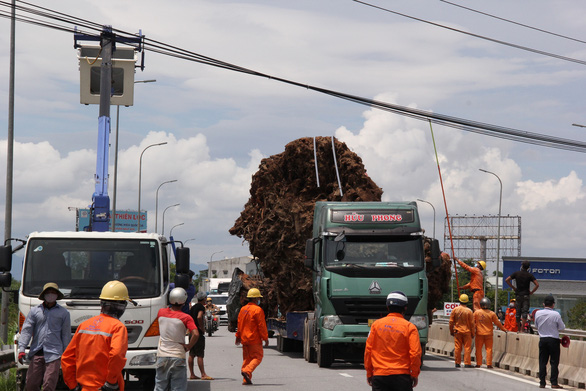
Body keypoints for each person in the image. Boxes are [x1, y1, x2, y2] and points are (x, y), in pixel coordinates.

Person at [62, 280, 131, 391]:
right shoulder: (118, 327)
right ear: (121, 306)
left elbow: (67, 358)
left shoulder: (84, 325)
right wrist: (111, 382)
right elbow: (117, 355)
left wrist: (73, 385)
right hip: (103, 387)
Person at [18, 282, 71, 391]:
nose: (50, 295)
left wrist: (67, 354)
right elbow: (27, 330)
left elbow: (66, 334)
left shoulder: (64, 313)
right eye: (48, 292)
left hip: (54, 354)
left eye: (53, 292)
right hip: (36, 352)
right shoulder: (35, 311)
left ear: (57, 295)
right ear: (44, 295)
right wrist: (22, 349)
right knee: (31, 384)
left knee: (48, 385)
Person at [364, 291, 421, 391]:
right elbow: (415, 353)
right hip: (402, 376)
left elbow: (368, 350)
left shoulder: (376, 325)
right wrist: (414, 374)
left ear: (387, 307)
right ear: (405, 307)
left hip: (380, 375)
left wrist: (369, 372)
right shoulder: (410, 327)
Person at [155, 287, 199, 391]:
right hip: (178, 356)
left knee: (160, 387)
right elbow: (196, 334)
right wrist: (188, 346)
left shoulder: (161, 312)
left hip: (162, 355)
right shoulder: (186, 317)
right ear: (184, 301)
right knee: (178, 387)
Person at [235, 288, 269, 385]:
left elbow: (239, 324)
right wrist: (265, 338)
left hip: (244, 339)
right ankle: (247, 371)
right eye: (258, 298)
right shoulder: (258, 310)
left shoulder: (243, 309)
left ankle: (246, 380)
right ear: (255, 299)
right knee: (258, 357)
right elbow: (261, 326)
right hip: (254, 339)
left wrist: (238, 336)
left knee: (247, 359)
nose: (259, 299)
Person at [534, 294, 565, 389]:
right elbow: (562, 327)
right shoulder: (556, 314)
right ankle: (554, 382)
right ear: (553, 304)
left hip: (542, 339)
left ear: (544, 304)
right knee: (554, 362)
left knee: (542, 361)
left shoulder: (538, 313)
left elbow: (536, 326)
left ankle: (542, 382)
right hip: (553, 340)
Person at [473, 297, 507, 369]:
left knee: (478, 349)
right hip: (488, 334)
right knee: (489, 349)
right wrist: (503, 329)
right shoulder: (492, 313)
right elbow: (497, 323)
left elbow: (472, 322)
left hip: (479, 334)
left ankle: (478, 364)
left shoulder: (477, 313)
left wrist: (472, 331)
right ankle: (489, 364)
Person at [505, 260, 539, 330]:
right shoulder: (530, 275)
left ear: (522, 266)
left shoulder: (517, 273)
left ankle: (517, 328)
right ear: (528, 268)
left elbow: (507, 280)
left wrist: (513, 287)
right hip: (526, 295)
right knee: (525, 312)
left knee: (518, 312)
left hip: (518, 295)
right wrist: (532, 292)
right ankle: (522, 329)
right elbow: (537, 284)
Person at [188, 292, 213, 381]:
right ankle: (203, 374)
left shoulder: (193, 307)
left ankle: (192, 374)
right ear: (203, 299)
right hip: (198, 333)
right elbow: (199, 317)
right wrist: (201, 327)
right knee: (200, 355)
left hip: (192, 332)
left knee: (191, 354)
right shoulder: (201, 307)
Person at [449, 294, 475, 368]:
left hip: (457, 331)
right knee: (467, 348)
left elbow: (451, 322)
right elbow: (472, 324)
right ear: (467, 301)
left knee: (457, 347)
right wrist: (473, 333)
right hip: (467, 332)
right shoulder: (469, 311)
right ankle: (467, 363)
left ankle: (457, 362)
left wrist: (451, 331)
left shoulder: (455, 310)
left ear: (459, 300)